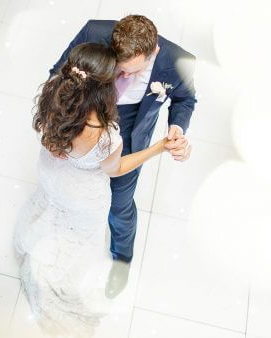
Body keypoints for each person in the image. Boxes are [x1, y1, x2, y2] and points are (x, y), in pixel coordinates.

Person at [14, 42, 172, 337]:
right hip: (82, 197)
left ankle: (35, 246)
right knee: (78, 241)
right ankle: (58, 288)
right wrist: (157, 148)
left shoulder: (52, 95)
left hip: (51, 174)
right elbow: (116, 169)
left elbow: (50, 139)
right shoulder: (105, 136)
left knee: (49, 208)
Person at [49, 15, 197, 265]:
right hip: (82, 119)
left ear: (154, 51)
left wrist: (177, 129)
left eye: (133, 70)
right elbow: (57, 76)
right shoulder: (93, 31)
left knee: (120, 204)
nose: (123, 73)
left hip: (131, 130)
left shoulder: (178, 60)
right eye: (119, 66)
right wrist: (55, 130)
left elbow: (185, 99)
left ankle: (122, 256)